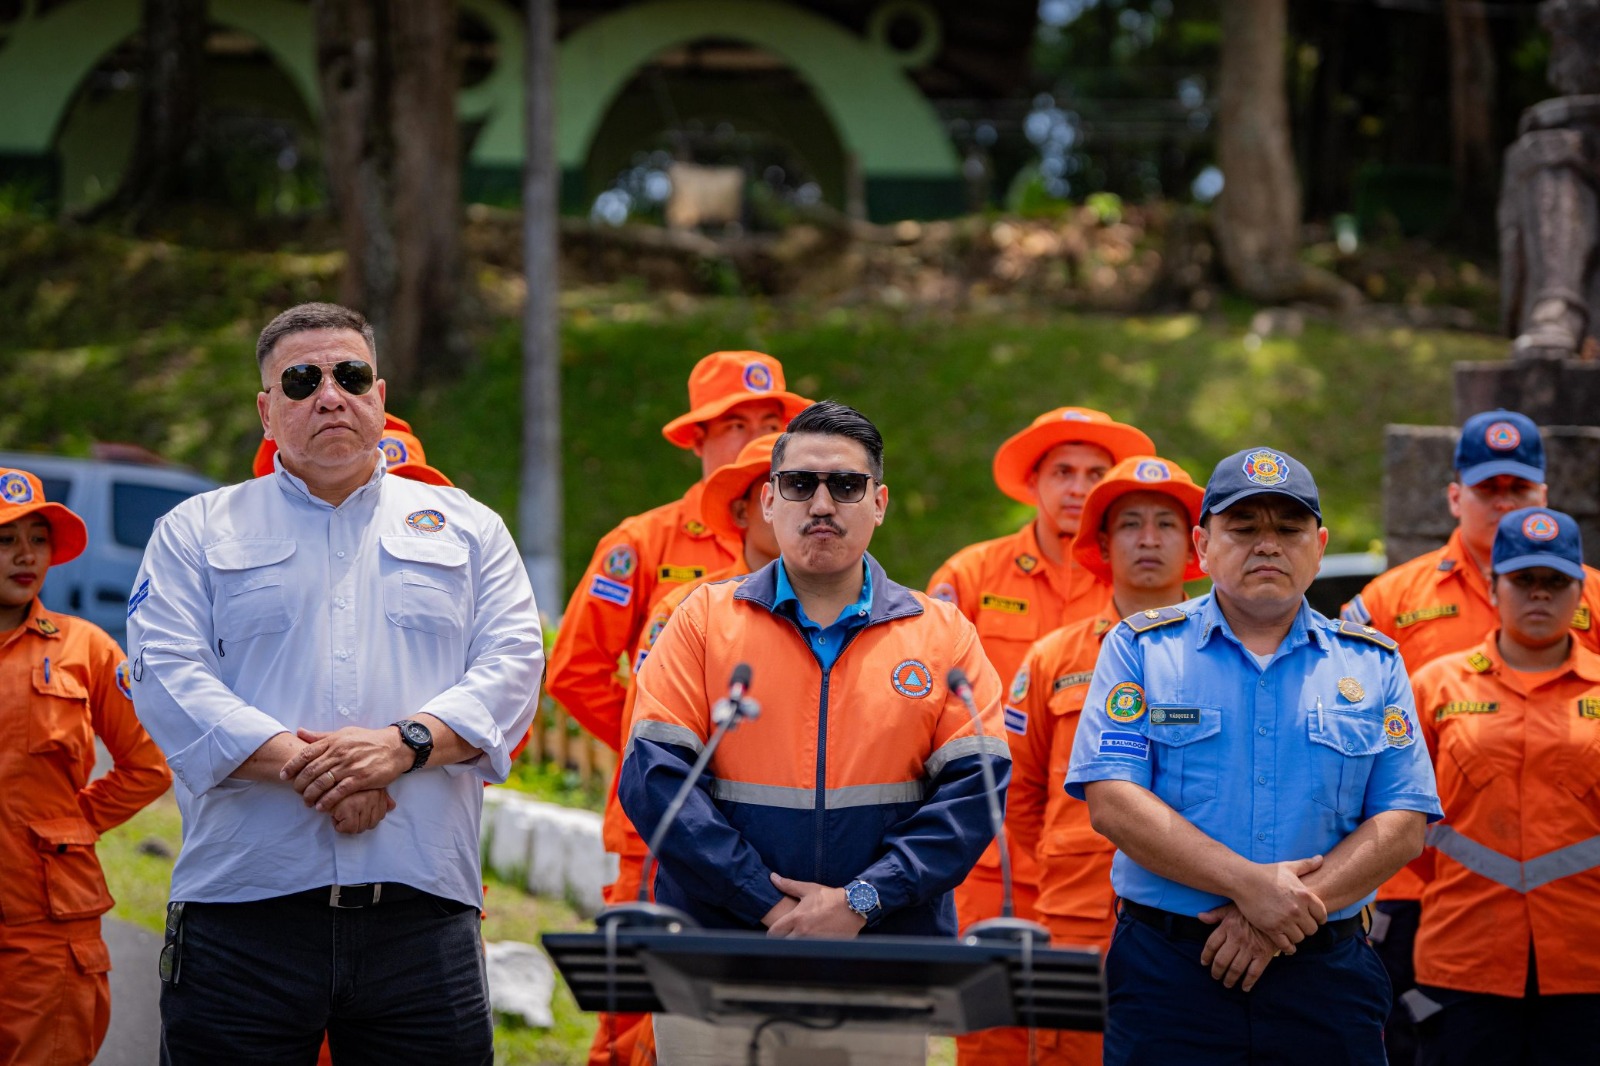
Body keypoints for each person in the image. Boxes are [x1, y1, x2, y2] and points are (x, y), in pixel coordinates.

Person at [126, 302, 543, 1064]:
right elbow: (169, 680)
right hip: (243, 913)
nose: (329, 394)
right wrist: (320, 768)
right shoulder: (195, 530)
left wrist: (402, 747)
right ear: (266, 409)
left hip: (420, 915)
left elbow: (513, 665)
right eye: (301, 379)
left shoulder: (469, 527)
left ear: (380, 397)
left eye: (350, 375)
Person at [619, 400, 1008, 1063]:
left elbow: (975, 798)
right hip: (717, 960)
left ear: (879, 502)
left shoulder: (943, 635)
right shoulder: (701, 621)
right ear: (768, 501)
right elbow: (656, 785)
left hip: (881, 967)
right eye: (800, 484)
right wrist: (770, 908)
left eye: (846, 485)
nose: (822, 503)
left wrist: (861, 900)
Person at [1069, 446, 1443, 1065]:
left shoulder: (1373, 663)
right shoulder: (1140, 651)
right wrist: (1251, 887)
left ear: (1319, 546)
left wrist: (1276, 918)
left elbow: (1402, 823)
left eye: (1289, 529)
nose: (1267, 545)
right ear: (1203, 545)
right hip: (1170, 975)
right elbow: (1113, 801)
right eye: (1243, 529)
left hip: (1324, 975)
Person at [546, 352, 809, 1066]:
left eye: (770, 421)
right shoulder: (644, 542)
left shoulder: (821, 557)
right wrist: (673, 756)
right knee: (638, 1022)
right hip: (660, 824)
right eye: (735, 424)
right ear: (697, 439)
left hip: (779, 832)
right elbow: (577, 671)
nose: (754, 434)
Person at [1341, 408, 1600, 1064]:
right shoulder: (1392, 600)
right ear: (1456, 495)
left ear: (1545, 494)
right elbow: (1362, 756)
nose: (1504, 502)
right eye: (1490, 489)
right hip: (1425, 904)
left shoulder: (1596, 597)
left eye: (1520, 488)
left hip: (1578, 923)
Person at [927, 405, 1153, 1064]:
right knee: (992, 1037)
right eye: (1062, 471)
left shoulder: (1133, 582)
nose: (1078, 487)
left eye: (1095, 472)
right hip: (988, 856)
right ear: (1033, 482)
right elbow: (915, 703)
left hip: (1094, 864)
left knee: (1098, 1036)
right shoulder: (970, 577)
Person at [589, 432, 781, 1066]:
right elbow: (644, 730)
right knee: (642, 1035)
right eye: (778, 490)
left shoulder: (865, 617)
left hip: (792, 872)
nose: (803, 505)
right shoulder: (689, 610)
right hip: (674, 844)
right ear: (745, 511)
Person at [1005, 454, 1203, 1065]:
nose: (1148, 539)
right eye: (1129, 524)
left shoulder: (1225, 654)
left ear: (1196, 542)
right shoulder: (1051, 659)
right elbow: (1020, 795)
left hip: (1195, 916)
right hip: (1076, 920)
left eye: (1166, 524)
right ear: (1102, 543)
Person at [1406, 507, 1600, 1065]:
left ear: (1580, 593)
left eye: (1555, 582)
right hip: (1466, 953)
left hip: (1585, 961)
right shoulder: (1434, 686)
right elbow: (1400, 822)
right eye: (1523, 580)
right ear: (1493, 587)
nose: (1539, 594)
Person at [0, 467, 172, 1065]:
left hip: (44, 923)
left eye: (38, 539)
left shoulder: (86, 648)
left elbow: (148, 766)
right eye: (6, 540)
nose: (26, 555)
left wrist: (69, 827)